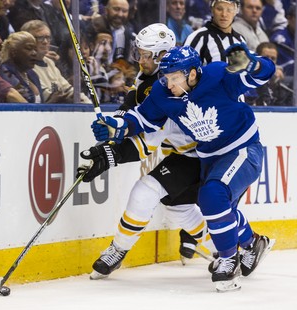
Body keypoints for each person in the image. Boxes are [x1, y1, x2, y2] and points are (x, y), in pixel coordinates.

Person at [90, 42, 276, 292]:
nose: (169, 84)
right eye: (165, 78)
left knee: (212, 194)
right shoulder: (162, 92)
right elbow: (143, 119)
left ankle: (229, 260)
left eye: (174, 78)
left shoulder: (219, 75)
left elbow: (263, 73)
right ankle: (253, 243)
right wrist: (118, 126)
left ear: (192, 73)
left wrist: (254, 63)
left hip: (242, 149)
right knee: (218, 207)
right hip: (209, 157)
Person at [78, 23, 215, 280]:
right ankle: (226, 250)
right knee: (177, 207)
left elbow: (147, 143)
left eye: (145, 55)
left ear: (162, 55)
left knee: (145, 192)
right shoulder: (153, 77)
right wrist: (113, 129)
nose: (140, 60)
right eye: (138, 53)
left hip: (202, 156)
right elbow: (132, 106)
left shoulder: (166, 87)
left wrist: (112, 153)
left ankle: (118, 249)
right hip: (185, 154)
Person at [20, 20, 91, 103]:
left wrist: (90, 106)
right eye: (40, 38)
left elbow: (68, 89)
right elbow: (46, 95)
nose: (45, 42)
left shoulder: (49, 63)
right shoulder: (25, 65)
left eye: (47, 37)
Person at [184, 0, 245, 65]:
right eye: (219, 9)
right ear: (212, 9)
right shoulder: (197, 38)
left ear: (236, 12)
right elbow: (182, 70)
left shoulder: (240, 40)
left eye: (229, 10)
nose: (224, 14)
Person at [0, 31, 43, 103]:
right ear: (13, 52)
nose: (34, 53)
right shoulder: (5, 73)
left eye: (35, 49)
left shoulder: (33, 74)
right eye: (29, 48)